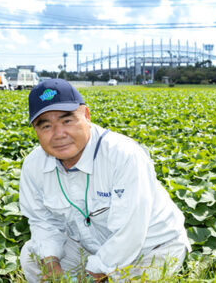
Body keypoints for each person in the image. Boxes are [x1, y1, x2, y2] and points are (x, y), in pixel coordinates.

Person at [19, 79, 191, 282]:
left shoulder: (123, 155)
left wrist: (96, 272)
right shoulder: (33, 165)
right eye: (46, 125)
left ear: (87, 116)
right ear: (35, 131)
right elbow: (41, 220)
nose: (58, 134)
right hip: (89, 246)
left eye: (67, 121)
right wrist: (51, 262)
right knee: (32, 255)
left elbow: (131, 231)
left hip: (150, 247)